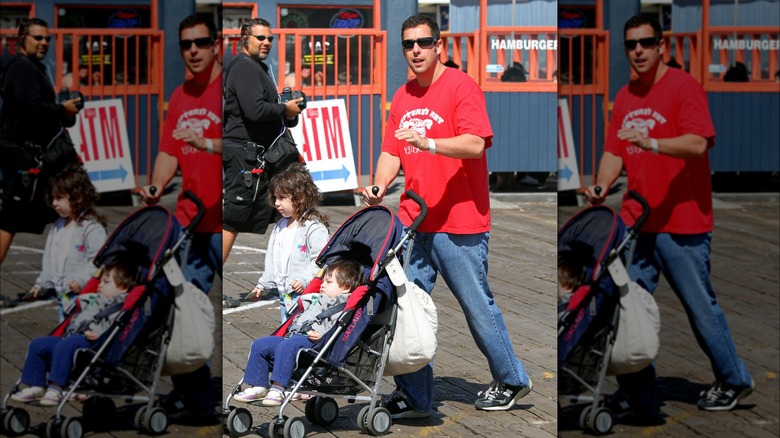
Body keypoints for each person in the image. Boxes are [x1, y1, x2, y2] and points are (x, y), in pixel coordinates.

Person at [361, 15, 533, 418]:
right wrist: (380, 186)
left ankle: (511, 379)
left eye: (423, 42)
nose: (416, 50)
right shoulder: (401, 97)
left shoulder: (461, 86)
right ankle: (416, 396)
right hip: (414, 222)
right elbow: (391, 152)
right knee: (404, 310)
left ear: (439, 45)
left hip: (460, 223)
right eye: (408, 44)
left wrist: (429, 142)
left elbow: (475, 144)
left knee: (476, 306)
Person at [584, 15, 754, 419]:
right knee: (626, 311)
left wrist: (651, 141)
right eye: (631, 44)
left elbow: (698, 143)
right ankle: (638, 395)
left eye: (646, 42)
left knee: (700, 308)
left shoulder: (683, 88)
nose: (638, 51)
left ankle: (733, 379)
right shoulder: (624, 97)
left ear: (662, 46)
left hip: (683, 224)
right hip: (637, 224)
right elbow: (614, 152)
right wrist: (603, 186)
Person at [138, 14, 222, 422]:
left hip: (228, 221)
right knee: (182, 306)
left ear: (216, 44)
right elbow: (169, 151)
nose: (192, 51)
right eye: (186, 44)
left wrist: (207, 142)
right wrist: (156, 186)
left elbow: (242, 144)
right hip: (190, 220)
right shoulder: (180, 95)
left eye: (201, 42)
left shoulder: (228, 91)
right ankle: (196, 396)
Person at [0, 18, 83, 263]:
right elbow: (33, 109)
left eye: (47, 38)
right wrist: (62, 109)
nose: (44, 42)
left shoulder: (34, 67)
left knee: (65, 208)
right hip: (24, 159)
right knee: (9, 220)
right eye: (38, 38)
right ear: (21, 40)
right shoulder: (22, 68)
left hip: (37, 158)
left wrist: (64, 110)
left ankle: (61, 275)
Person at [222, 17, 304, 264]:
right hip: (244, 158)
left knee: (286, 208)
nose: (267, 42)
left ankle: (286, 273)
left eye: (270, 38)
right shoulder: (244, 67)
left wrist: (286, 110)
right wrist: (284, 107)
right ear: (244, 39)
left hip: (262, 156)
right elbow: (254, 111)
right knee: (232, 219)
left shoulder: (258, 67)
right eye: (261, 38)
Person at [234, 259, 364, 406]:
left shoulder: (345, 307)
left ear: (346, 287)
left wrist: (322, 336)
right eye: (323, 281)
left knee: (288, 345)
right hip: (295, 337)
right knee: (260, 344)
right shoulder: (316, 299)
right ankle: (258, 385)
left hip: (316, 344)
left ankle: (278, 388)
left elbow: (340, 332)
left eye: (328, 282)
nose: (322, 285)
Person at [9, 256, 135, 406]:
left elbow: (118, 328)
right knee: (38, 344)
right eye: (100, 281)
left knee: (65, 345)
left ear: (122, 288)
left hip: (95, 343)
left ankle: (56, 388)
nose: (100, 285)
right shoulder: (94, 298)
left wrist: (101, 334)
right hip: (73, 337)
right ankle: (36, 385)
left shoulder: (120, 305)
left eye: (106, 282)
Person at [250, 162, 329, 320]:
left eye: (281, 198)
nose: (276, 203)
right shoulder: (280, 226)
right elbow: (273, 258)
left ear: (300, 197)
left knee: (301, 333)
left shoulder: (313, 228)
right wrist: (263, 284)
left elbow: (321, 260)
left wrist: (304, 280)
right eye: (275, 198)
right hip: (285, 296)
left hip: (306, 297)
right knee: (286, 333)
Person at [28, 164, 107, 322]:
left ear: (77, 197)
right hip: (62, 295)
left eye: (59, 198)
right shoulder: (57, 226)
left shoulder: (90, 227)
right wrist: (41, 284)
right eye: (53, 198)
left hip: (83, 296)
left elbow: (99, 259)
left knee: (79, 330)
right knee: (64, 329)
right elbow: (50, 258)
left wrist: (81, 280)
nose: (54, 203)